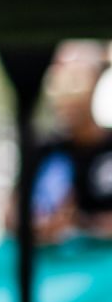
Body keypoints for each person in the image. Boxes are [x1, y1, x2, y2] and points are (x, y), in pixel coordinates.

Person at [26, 52, 112, 240]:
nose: (66, 94)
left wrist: (83, 224)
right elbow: (12, 213)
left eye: (76, 81)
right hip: (55, 264)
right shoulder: (47, 151)